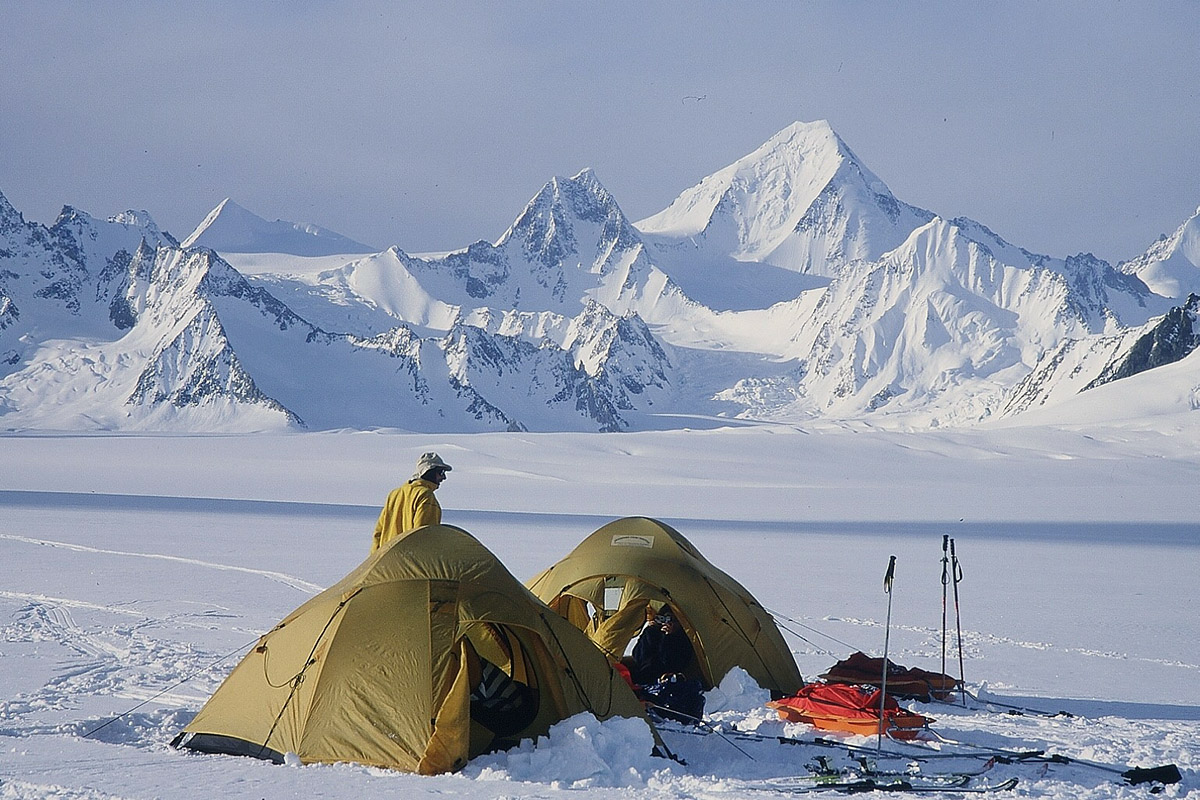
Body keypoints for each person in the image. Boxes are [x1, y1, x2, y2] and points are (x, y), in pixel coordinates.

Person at [371, 452, 452, 552]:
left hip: (387, 560)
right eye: (441, 472)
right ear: (429, 471)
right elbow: (423, 536)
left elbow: (378, 533)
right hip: (409, 561)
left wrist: (374, 560)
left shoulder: (394, 494)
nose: (443, 478)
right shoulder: (425, 496)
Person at [629, 605, 695, 686]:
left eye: (671, 620)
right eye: (663, 619)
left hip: (664, 680)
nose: (667, 623)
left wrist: (669, 637)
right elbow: (637, 655)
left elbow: (669, 663)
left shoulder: (684, 640)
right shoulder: (656, 633)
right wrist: (649, 632)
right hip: (644, 674)